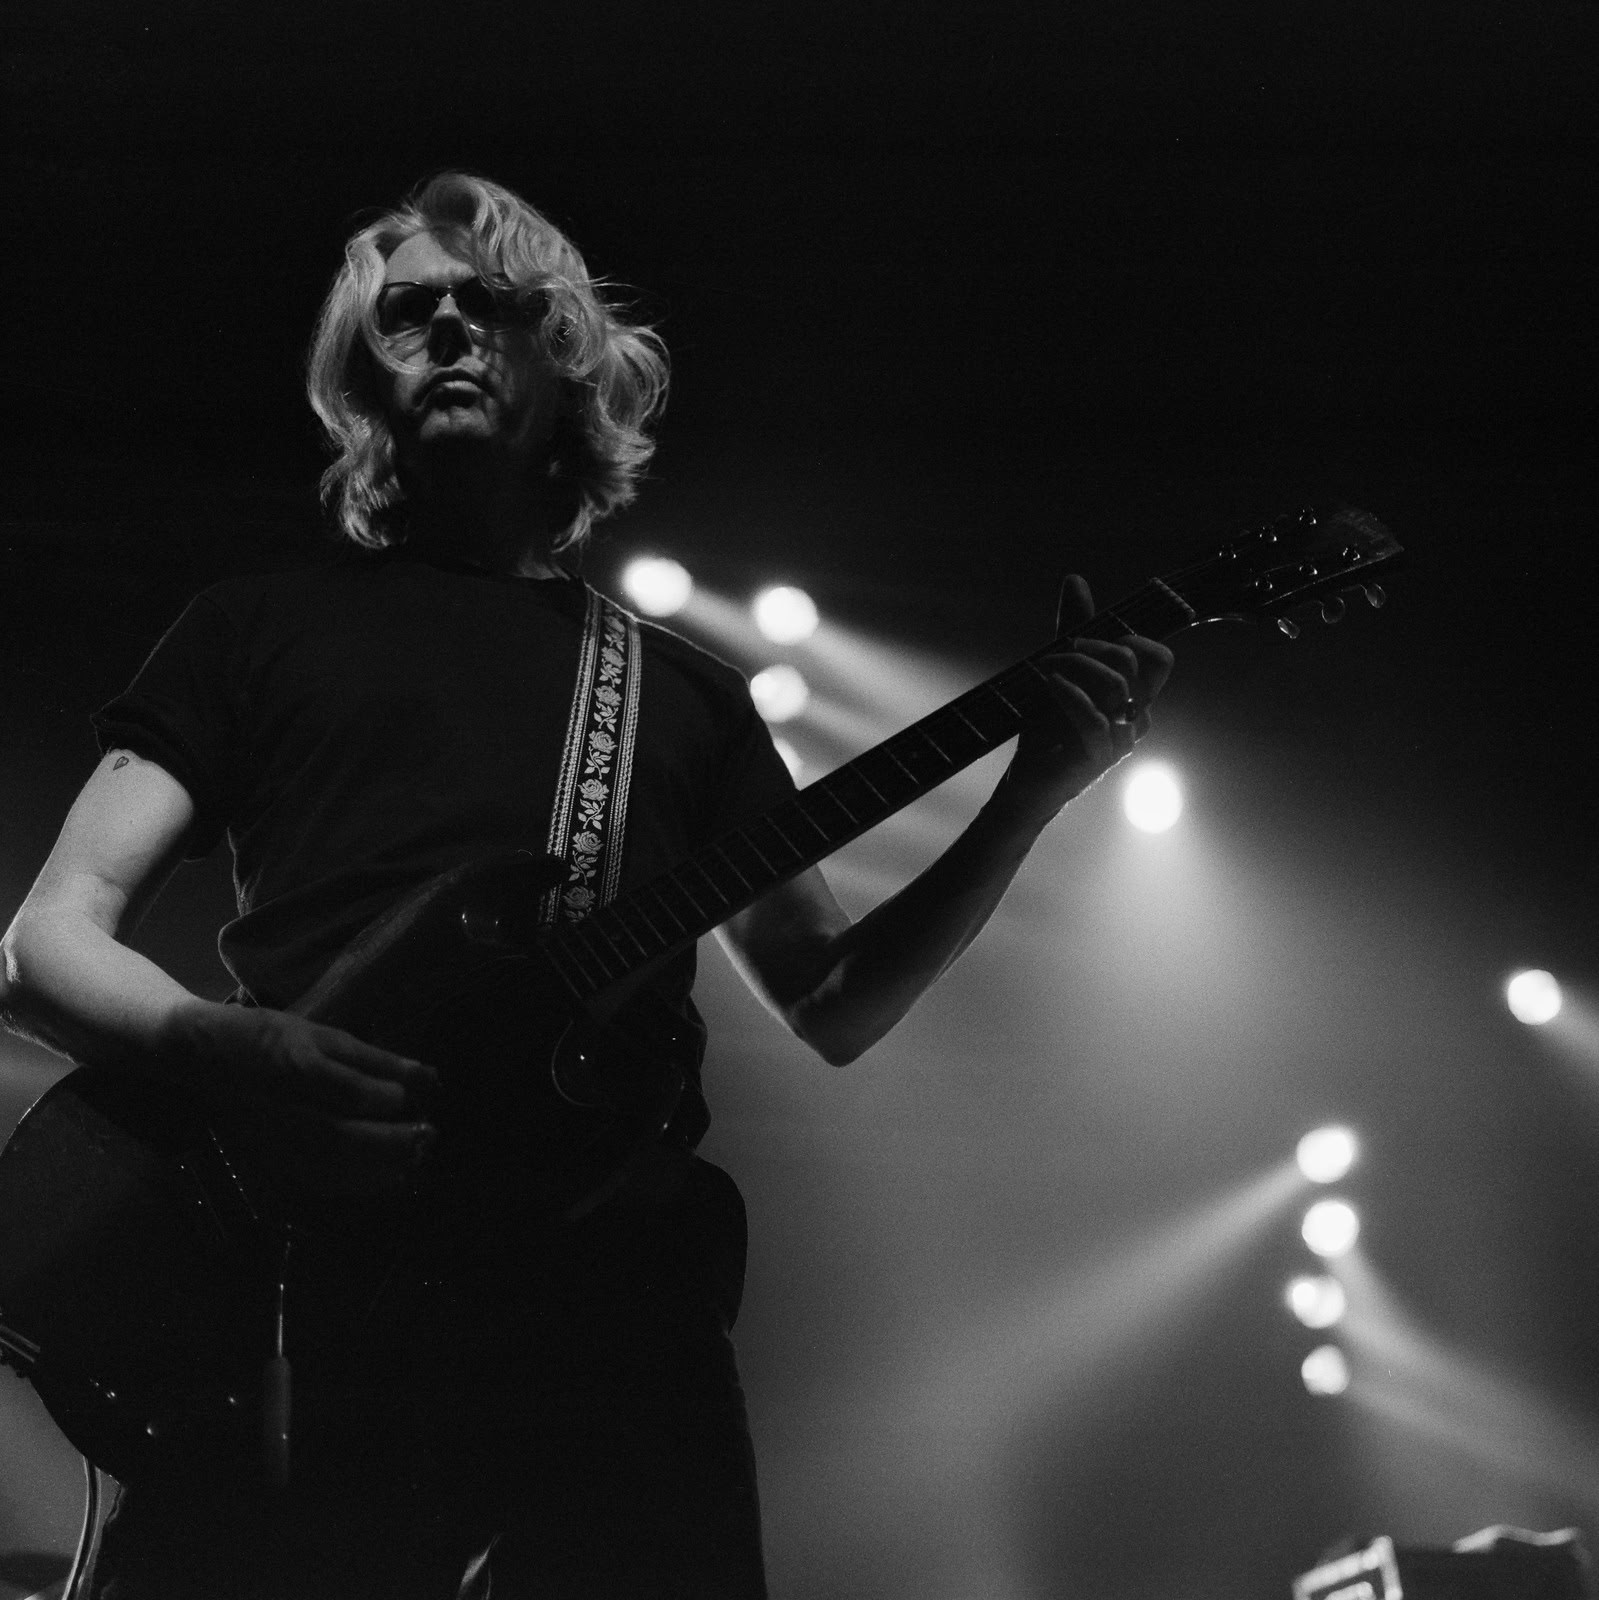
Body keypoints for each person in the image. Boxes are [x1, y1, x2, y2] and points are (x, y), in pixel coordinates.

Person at [0, 171, 1173, 1598]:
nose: (439, 332)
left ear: (562, 353)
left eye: (480, 305)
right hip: (313, 1274)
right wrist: (236, 1046)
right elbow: (49, 937)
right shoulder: (256, 627)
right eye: (403, 314)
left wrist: (1030, 792)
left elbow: (839, 1000)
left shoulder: (680, 695)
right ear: (364, 378)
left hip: (607, 1295)